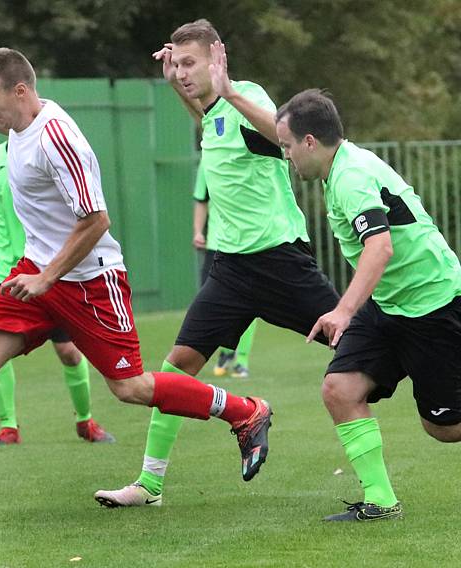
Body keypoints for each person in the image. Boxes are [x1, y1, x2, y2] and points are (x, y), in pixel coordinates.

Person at [0, 47, 271, 518]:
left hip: (89, 280)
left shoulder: (57, 137)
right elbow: (9, 126)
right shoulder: (25, 122)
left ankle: (244, 411)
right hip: (38, 270)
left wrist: (48, 278)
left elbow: (96, 219)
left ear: (21, 91)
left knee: (130, 388)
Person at [94, 20, 340, 508]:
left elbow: (282, 135)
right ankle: (150, 484)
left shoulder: (246, 95)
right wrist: (183, 93)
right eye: (177, 63)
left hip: (279, 260)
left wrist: (227, 90)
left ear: (217, 57)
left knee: (357, 341)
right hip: (231, 269)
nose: (183, 72)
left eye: (191, 64)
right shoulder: (212, 109)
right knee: (175, 369)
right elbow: (212, 119)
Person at [275, 89, 461, 521]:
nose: (285, 157)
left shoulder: (351, 175)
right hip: (389, 305)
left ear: (308, 142)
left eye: (286, 146)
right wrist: (222, 92)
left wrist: (343, 310)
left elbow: (379, 248)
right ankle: (380, 501)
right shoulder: (338, 165)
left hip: (432, 303)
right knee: (340, 389)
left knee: (444, 427)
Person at [0, 140, 115, 444]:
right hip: (2, 271)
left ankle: (85, 420)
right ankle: (8, 426)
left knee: (69, 352)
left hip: (45, 268)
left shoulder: (48, 150)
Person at [192, 165, 257, 378]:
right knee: (214, 304)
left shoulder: (249, 158)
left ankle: (241, 360)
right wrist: (198, 231)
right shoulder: (207, 162)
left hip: (247, 244)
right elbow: (201, 199)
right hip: (216, 246)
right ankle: (226, 351)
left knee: (250, 303)